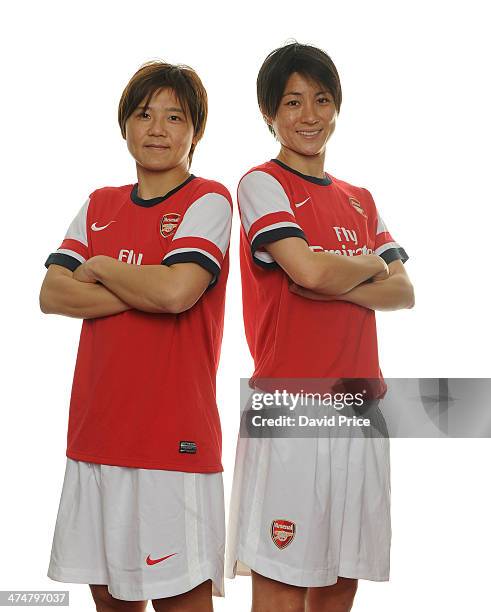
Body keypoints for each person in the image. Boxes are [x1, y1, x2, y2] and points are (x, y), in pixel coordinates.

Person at [225, 42, 414, 612]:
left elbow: (403, 292)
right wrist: (366, 265)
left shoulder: (361, 200)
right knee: (281, 583)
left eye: (322, 100)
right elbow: (305, 269)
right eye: (293, 102)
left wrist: (335, 275)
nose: (309, 115)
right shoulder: (262, 184)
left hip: (360, 407)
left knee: (338, 584)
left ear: (338, 108)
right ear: (270, 114)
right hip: (290, 407)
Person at [39, 60, 232, 612]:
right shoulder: (100, 204)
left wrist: (99, 266)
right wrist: (150, 283)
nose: (157, 129)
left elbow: (177, 295)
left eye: (175, 116)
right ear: (124, 124)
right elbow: (53, 295)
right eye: (144, 114)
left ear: (195, 130)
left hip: (173, 444)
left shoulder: (209, 200)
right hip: (96, 438)